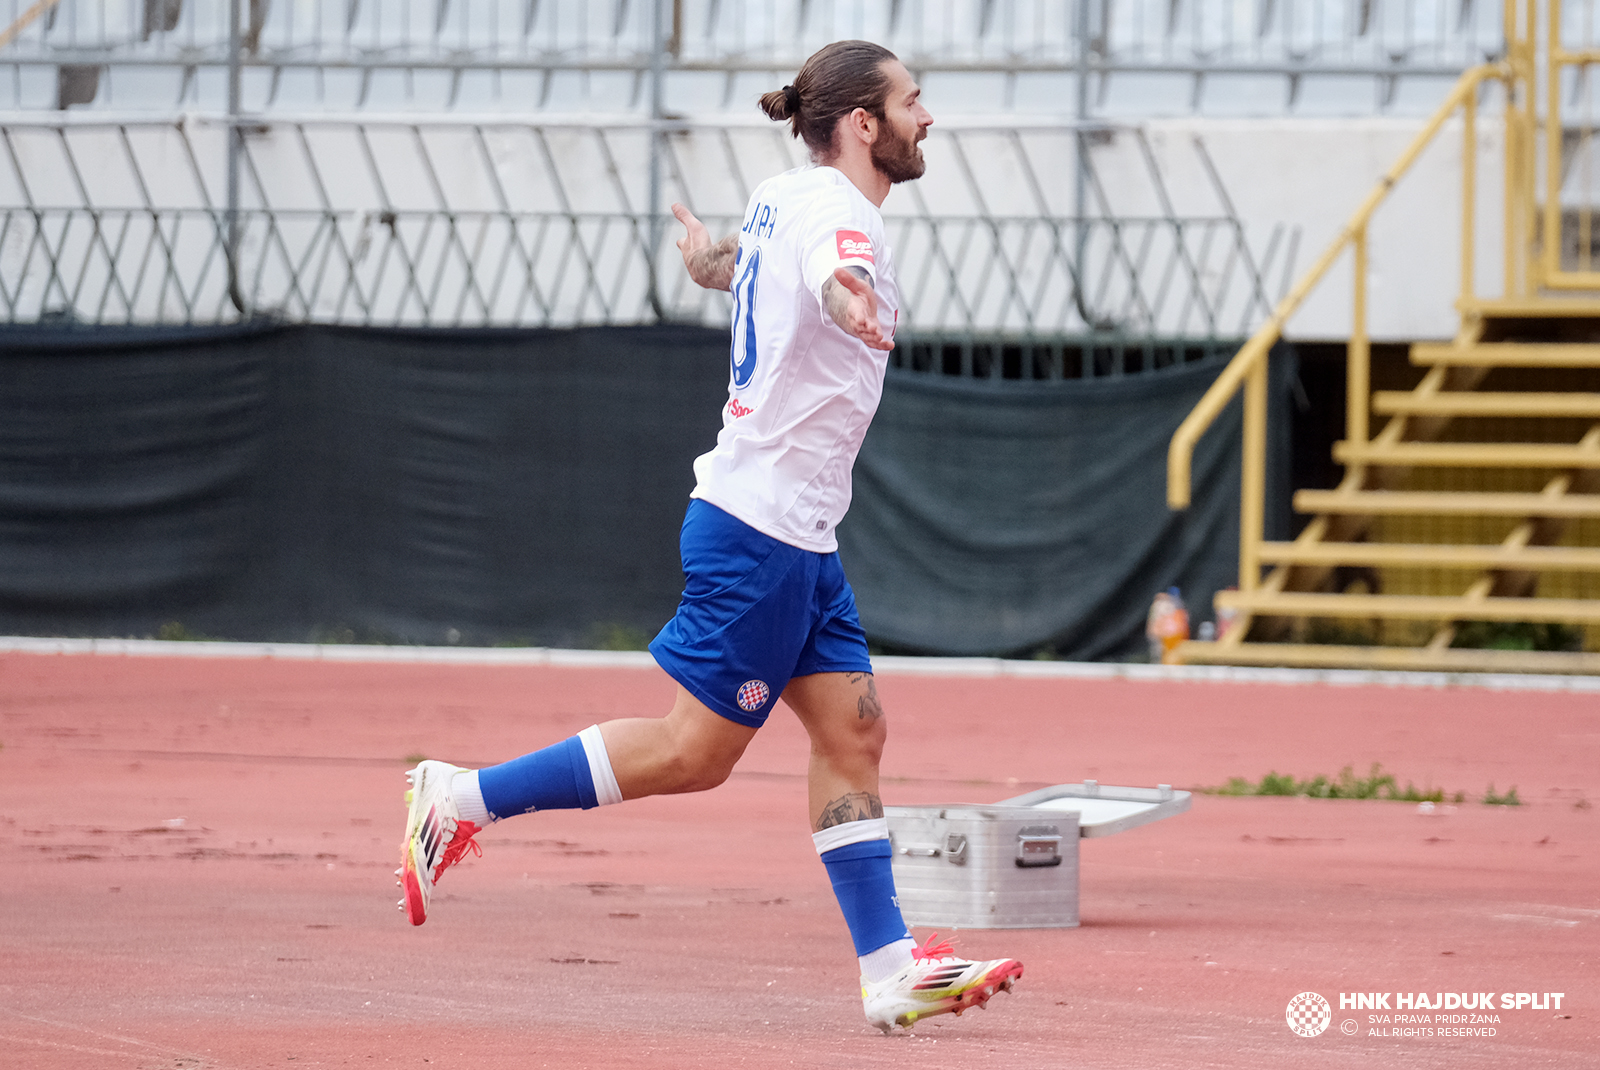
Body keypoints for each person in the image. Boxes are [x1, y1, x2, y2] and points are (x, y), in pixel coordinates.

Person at [397, 39, 1023, 1034]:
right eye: (913, 101)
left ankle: (892, 969)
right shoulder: (843, 217)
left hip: (799, 535)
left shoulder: (785, 193)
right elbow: (828, 270)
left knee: (853, 732)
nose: (927, 116)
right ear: (864, 124)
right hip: (758, 529)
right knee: (695, 752)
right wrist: (845, 298)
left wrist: (710, 265)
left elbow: (761, 259)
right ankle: (459, 797)